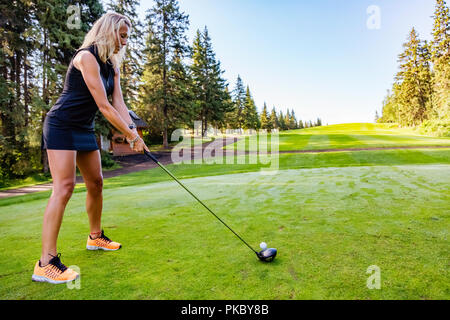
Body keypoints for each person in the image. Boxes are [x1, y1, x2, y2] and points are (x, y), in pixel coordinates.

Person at [32, 12, 148, 284]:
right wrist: (130, 136)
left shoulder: (112, 66)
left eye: (127, 37)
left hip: (84, 128)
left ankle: (95, 238)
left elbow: (119, 104)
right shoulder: (86, 57)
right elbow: (104, 106)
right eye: (122, 35)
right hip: (61, 124)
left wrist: (134, 132)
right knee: (64, 187)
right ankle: (45, 262)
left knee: (96, 183)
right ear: (108, 31)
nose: (125, 42)